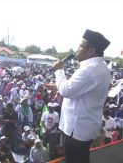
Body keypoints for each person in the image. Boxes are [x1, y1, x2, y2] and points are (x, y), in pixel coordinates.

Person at [45, 29, 111, 163]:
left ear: (91, 51)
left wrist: (59, 70)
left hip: (77, 129)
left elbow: (67, 91)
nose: (77, 49)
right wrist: (58, 86)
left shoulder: (90, 69)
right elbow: (79, 90)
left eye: (81, 46)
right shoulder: (99, 66)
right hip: (84, 126)